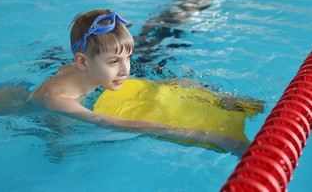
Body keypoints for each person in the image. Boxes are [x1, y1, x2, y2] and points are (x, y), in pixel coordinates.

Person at [27, 9, 249, 157]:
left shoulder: (83, 70)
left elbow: (140, 83)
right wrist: (213, 138)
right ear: (82, 62)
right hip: (30, 115)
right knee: (61, 153)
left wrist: (191, 88)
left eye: (128, 58)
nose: (126, 70)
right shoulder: (59, 99)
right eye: (114, 61)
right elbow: (124, 124)